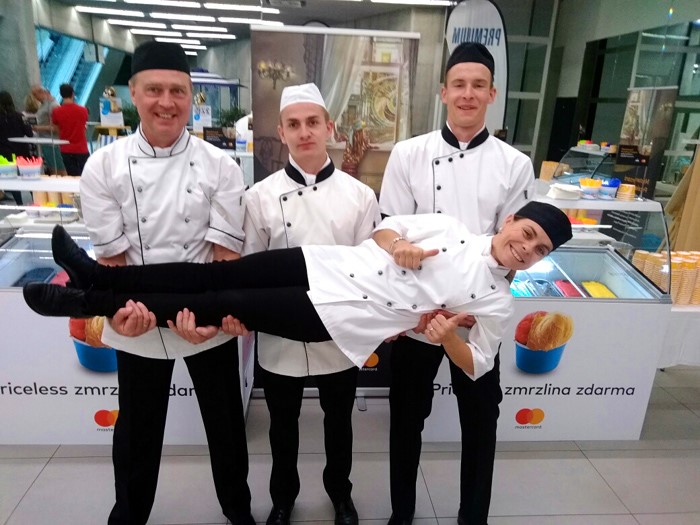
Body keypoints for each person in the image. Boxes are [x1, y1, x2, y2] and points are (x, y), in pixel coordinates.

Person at [25, 202, 572, 378]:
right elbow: (383, 229)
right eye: (526, 233)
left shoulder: (498, 301)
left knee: (221, 303)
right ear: (509, 221)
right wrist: (399, 244)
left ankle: (88, 302)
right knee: (214, 274)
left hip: (339, 316)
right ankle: (99, 275)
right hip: (326, 263)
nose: (526, 248)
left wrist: (449, 336)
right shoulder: (449, 226)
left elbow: (479, 365)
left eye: (539, 249)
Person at [75, 41, 253, 525]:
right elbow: (112, 262)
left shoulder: (221, 166)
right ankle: (129, 515)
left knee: (225, 427)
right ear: (133, 93)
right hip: (136, 315)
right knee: (137, 430)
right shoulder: (104, 167)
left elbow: (225, 259)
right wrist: (119, 315)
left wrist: (214, 319)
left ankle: (238, 511)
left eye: (178, 91)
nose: (167, 102)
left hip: (204, 315)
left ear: (191, 96)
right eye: (154, 90)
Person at [378, 42, 536, 525]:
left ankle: (474, 517)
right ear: (443, 92)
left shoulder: (514, 163)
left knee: (481, 421)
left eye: (478, 85)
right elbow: (390, 231)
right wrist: (411, 308)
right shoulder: (408, 153)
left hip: (476, 316)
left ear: (492, 94)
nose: (468, 94)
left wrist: (469, 310)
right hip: (416, 314)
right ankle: (401, 513)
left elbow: (514, 251)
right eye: (459, 85)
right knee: (406, 419)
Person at [242, 83, 380, 525]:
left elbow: (371, 271)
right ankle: (282, 499)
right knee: (281, 425)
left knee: (339, 423)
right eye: (294, 124)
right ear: (282, 132)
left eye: (313, 123)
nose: (304, 132)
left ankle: (340, 494)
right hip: (281, 334)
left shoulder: (360, 196)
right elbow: (251, 270)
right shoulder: (259, 196)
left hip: (339, 334)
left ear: (329, 128)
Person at [0, 91, 34, 204]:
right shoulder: (20, 116)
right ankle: (35, 201)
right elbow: (29, 133)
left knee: (11, 179)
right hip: (22, 150)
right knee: (29, 177)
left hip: (4, 153)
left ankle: (19, 204)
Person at [52, 83, 89, 175]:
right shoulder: (83, 110)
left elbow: (56, 129)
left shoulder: (56, 112)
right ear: (73, 94)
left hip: (65, 148)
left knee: (72, 176)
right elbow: (84, 127)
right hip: (81, 148)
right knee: (86, 175)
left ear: (61, 95)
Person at [30, 85, 67, 175]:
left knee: (59, 169)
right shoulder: (44, 105)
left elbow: (55, 127)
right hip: (45, 141)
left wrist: (37, 128)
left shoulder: (53, 105)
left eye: (35, 95)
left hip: (52, 142)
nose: (35, 97)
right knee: (53, 169)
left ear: (42, 92)